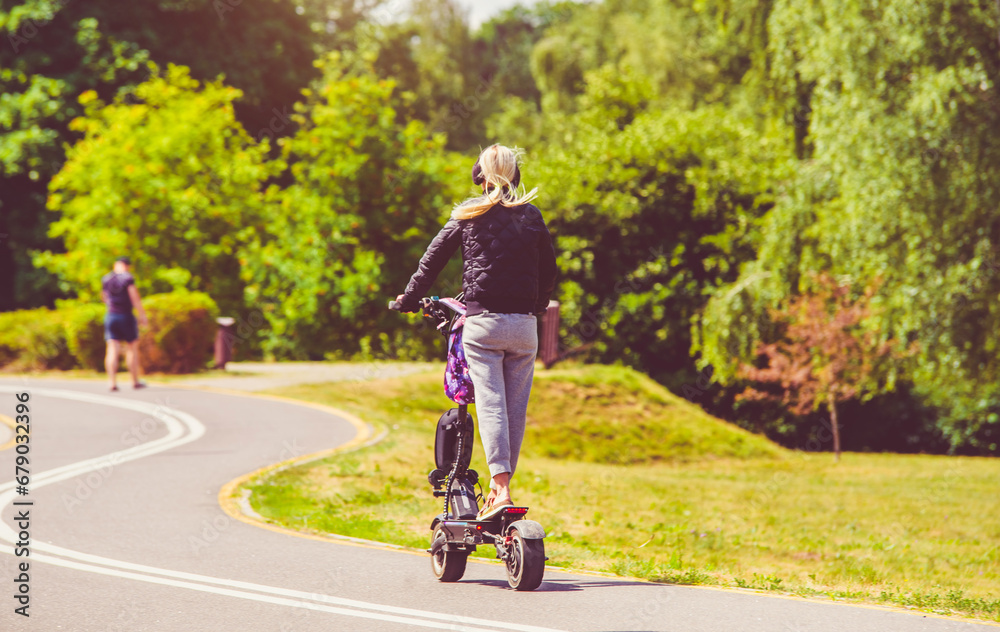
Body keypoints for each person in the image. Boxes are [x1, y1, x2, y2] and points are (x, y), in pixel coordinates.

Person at [396, 144, 557, 520]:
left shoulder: (467, 215)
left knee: (490, 405)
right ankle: (503, 487)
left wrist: (407, 299)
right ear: (515, 176)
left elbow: (430, 262)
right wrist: (533, 309)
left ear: (478, 176)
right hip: (524, 328)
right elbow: (549, 272)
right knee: (514, 409)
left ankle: (499, 489)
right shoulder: (531, 216)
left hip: (483, 326)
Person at [101, 256, 149, 391]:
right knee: (132, 347)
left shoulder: (106, 278)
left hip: (111, 315)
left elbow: (104, 297)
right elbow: (135, 298)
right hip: (126, 315)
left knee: (112, 348)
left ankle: (112, 382)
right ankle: (134, 381)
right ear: (127, 266)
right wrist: (142, 315)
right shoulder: (128, 278)